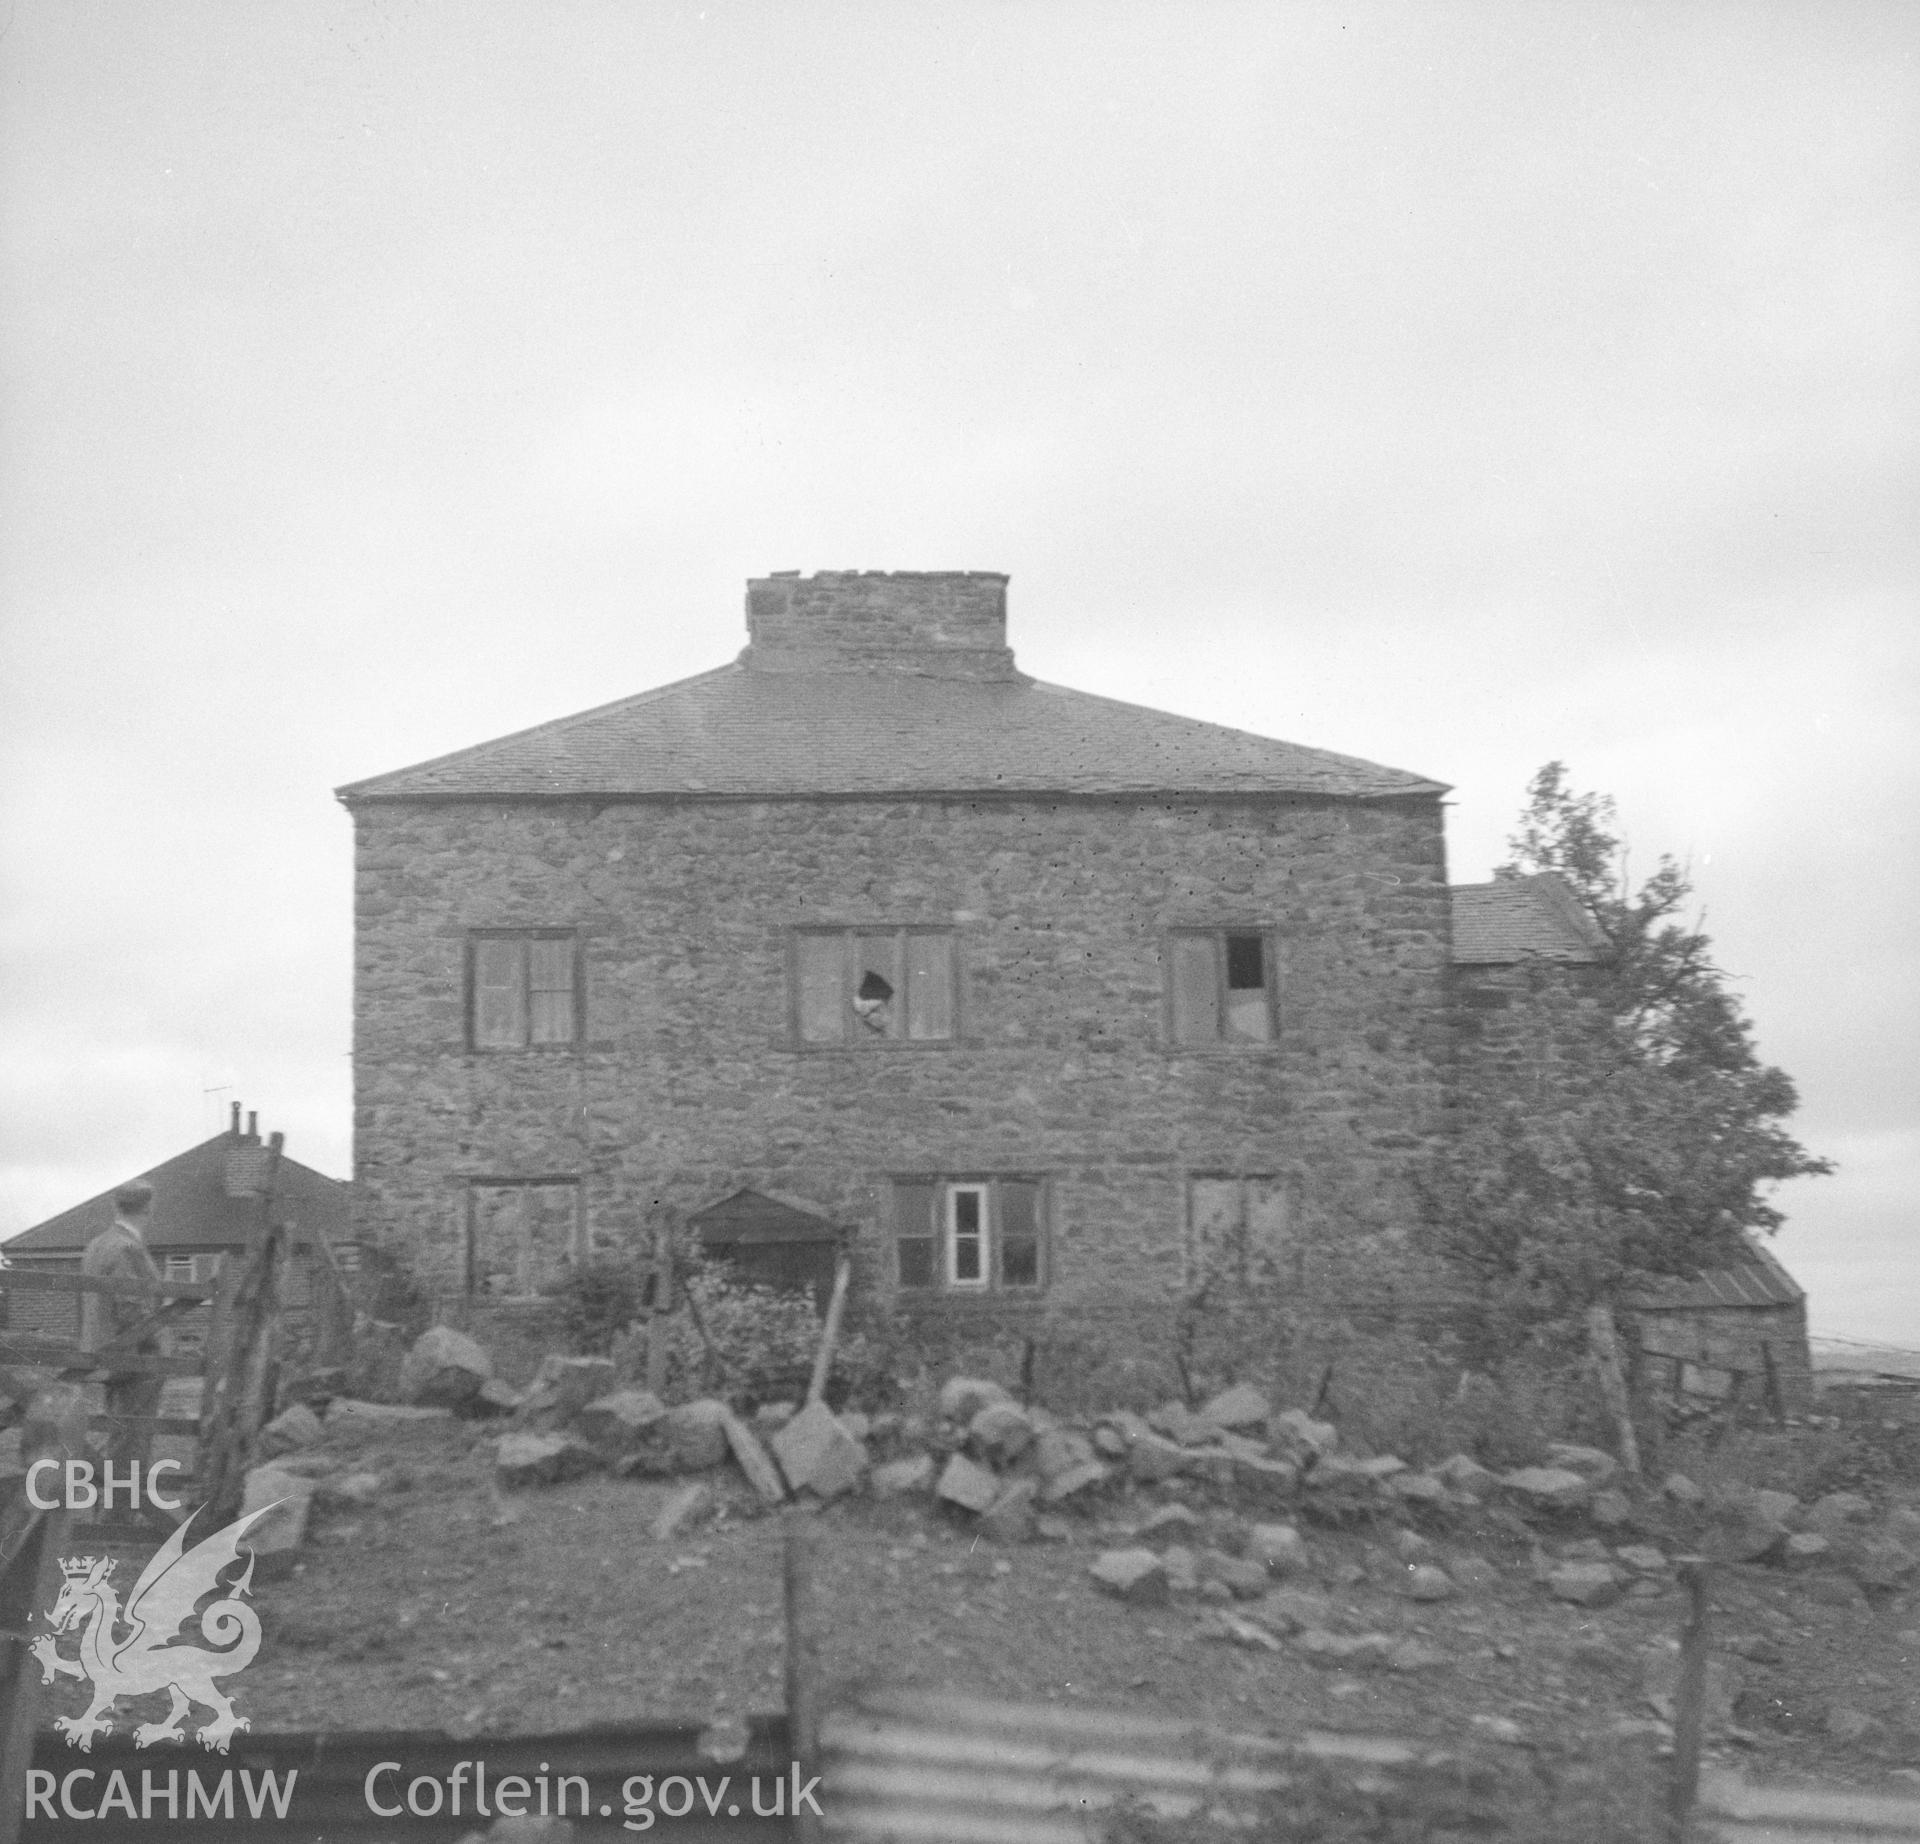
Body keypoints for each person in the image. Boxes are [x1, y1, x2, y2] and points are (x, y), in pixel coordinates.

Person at [80, 1179, 166, 1480]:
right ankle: (121, 1517)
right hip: (134, 1359)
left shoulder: (96, 1245)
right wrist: (159, 1345)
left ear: (116, 1206)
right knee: (132, 1443)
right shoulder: (127, 1247)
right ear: (149, 1208)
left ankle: (113, 1515)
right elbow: (131, 1310)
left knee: (120, 1437)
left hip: (105, 1355)